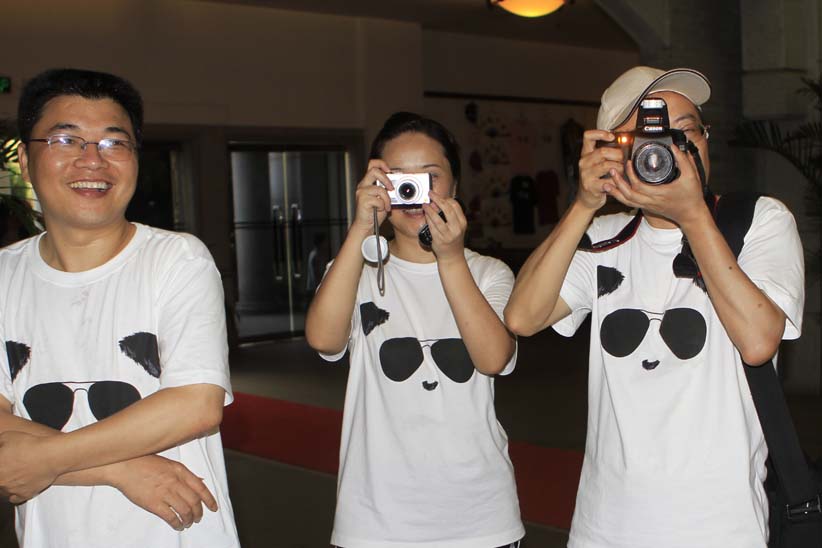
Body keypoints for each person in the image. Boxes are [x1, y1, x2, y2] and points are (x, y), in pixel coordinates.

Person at [504, 66, 805, 548]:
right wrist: (583, 205)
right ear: (612, 154)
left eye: (686, 133)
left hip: (719, 529)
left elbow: (757, 342)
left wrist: (693, 215)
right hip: (604, 528)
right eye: (648, 139)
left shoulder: (758, 221)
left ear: (705, 140)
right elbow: (522, 317)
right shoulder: (604, 237)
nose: (672, 150)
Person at [0, 68, 240, 548]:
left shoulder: (177, 260)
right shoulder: (5, 274)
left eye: (114, 143)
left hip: (177, 534)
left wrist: (46, 460)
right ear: (25, 160)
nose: (92, 160)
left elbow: (194, 406)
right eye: (66, 139)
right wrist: (120, 469)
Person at [305, 112, 524, 548]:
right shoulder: (354, 270)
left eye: (429, 177)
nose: (412, 192)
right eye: (398, 178)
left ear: (455, 187)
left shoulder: (488, 273)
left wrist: (450, 258)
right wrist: (361, 226)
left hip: (480, 519)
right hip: (374, 521)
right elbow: (324, 339)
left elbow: (493, 358)